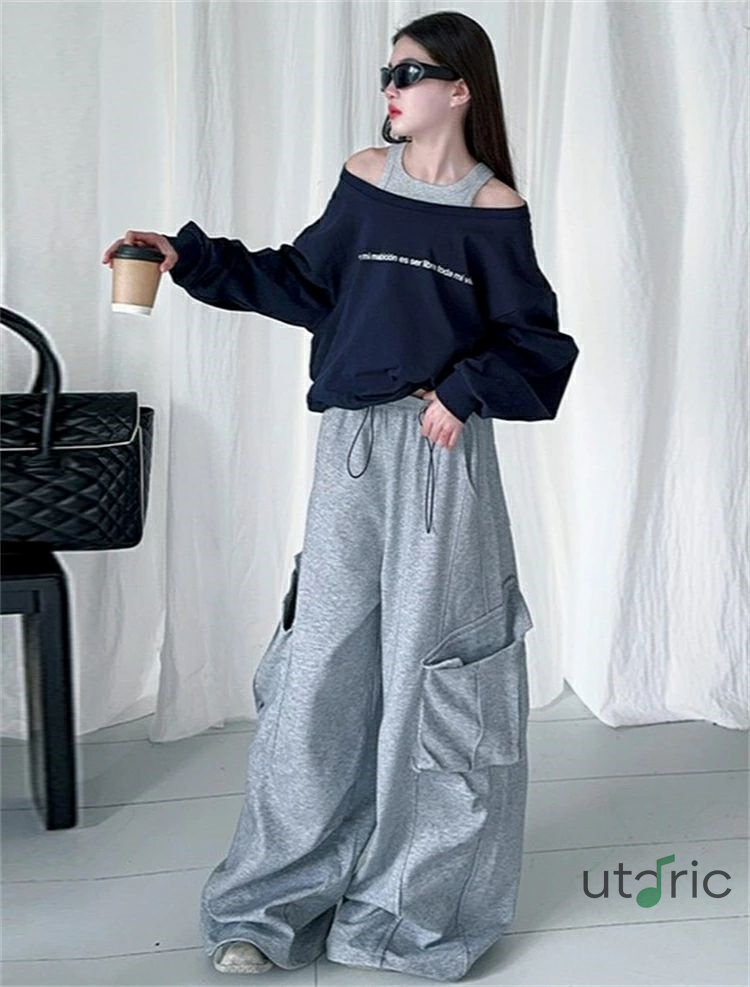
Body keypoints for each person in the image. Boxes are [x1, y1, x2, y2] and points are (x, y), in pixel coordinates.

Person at [102, 10, 579, 983]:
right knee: (318, 671)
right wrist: (192, 259)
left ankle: (410, 916)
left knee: (437, 679)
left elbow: (538, 343)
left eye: (410, 73)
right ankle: (267, 906)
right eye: (387, 72)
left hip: (443, 458)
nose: (390, 88)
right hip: (350, 453)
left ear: (460, 90)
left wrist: (463, 390)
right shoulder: (365, 179)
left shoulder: (496, 210)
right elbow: (308, 285)